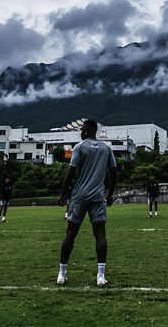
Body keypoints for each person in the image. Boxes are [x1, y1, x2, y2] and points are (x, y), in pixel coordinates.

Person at [56, 120, 117, 286]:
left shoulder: (80, 147)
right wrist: (110, 194)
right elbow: (113, 172)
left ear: (88, 130)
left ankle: (62, 273)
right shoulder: (106, 148)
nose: (80, 132)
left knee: (71, 232)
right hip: (98, 196)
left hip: (79, 196)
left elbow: (71, 171)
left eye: (82, 129)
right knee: (100, 234)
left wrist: (63, 193)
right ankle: (101, 276)